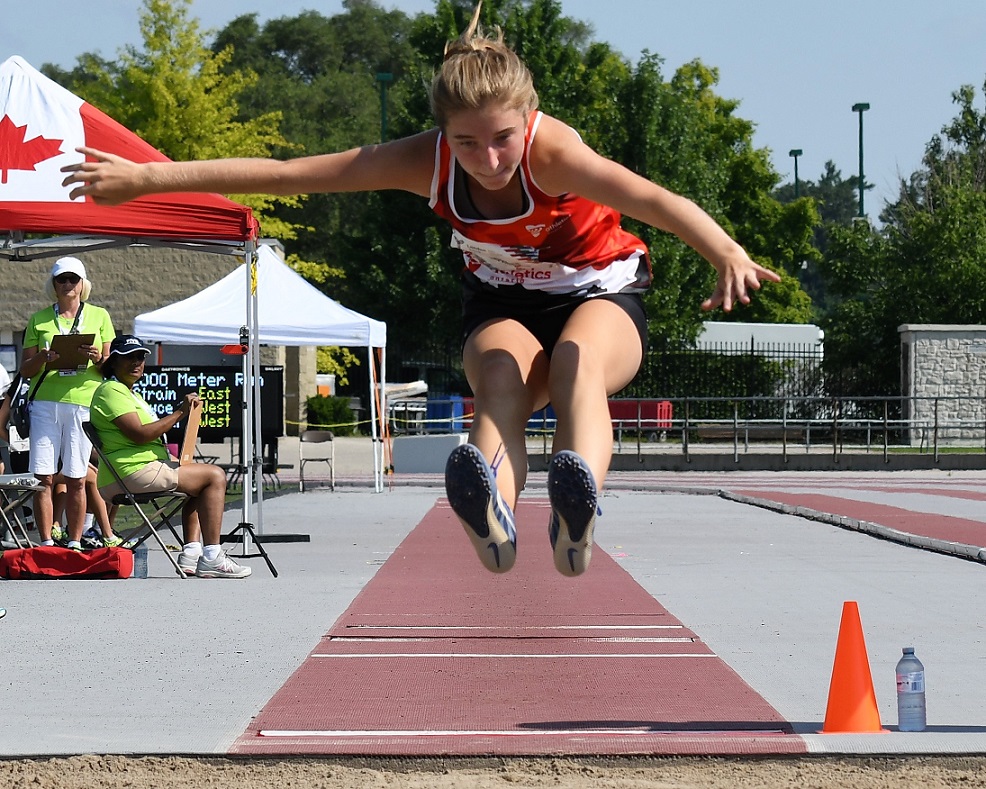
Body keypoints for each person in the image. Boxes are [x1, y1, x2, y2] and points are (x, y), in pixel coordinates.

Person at [61, 2, 779, 578]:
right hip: (501, 299)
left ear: (527, 121)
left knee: (575, 366)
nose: (488, 160)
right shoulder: (424, 162)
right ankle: (493, 513)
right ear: (443, 135)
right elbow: (287, 173)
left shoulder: (553, 152)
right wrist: (147, 178)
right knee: (499, 381)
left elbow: (654, 199)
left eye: (502, 139)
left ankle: (574, 505)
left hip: (598, 290)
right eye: (467, 144)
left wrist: (725, 249)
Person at [89, 335, 251, 579]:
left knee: (198, 482)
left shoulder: (129, 393)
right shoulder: (111, 390)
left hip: (135, 470)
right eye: (129, 357)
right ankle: (212, 557)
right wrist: (179, 413)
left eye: (141, 357)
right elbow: (140, 435)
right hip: (130, 472)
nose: (136, 362)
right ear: (113, 361)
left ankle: (191, 554)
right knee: (215, 476)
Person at [19, 257, 115, 551]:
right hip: (45, 402)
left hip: (82, 402)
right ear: (53, 284)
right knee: (43, 477)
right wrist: (43, 357)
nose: (68, 284)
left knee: (77, 476)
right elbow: (25, 370)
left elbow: (110, 366)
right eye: (62, 279)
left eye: (73, 279)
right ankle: (47, 542)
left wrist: (97, 357)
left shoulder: (100, 315)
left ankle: (74, 541)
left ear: (83, 284)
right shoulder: (38, 319)